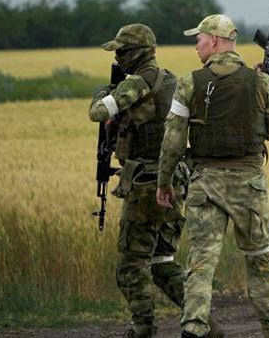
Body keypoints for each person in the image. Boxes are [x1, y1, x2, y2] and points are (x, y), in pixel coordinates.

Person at [156, 14, 269, 338]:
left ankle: (193, 328)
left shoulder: (189, 83)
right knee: (261, 261)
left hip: (205, 185)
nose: (197, 46)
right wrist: (265, 86)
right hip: (250, 188)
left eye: (199, 40)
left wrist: (164, 182)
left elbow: (173, 141)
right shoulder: (258, 82)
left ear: (215, 41)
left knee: (201, 264)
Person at [89, 23, 220, 338]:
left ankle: (143, 328)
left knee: (131, 266)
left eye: (122, 51)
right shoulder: (173, 80)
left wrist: (103, 93)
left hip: (146, 187)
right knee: (162, 263)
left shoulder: (136, 84)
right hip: (176, 182)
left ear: (135, 53)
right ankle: (206, 326)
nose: (118, 57)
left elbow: (97, 112)